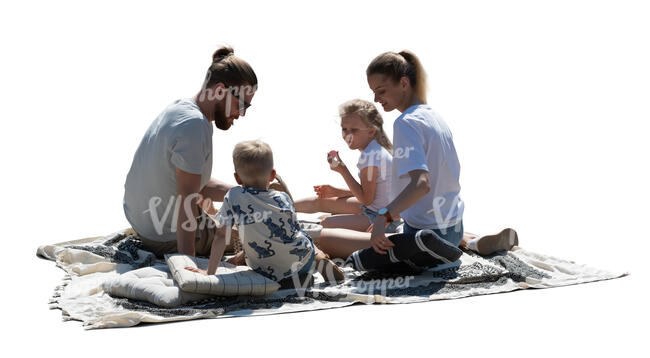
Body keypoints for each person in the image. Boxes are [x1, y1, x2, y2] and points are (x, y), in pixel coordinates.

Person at [316, 50, 518, 265]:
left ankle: (432, 246)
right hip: (453, 226)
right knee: (390, 228)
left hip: (426, 235)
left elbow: (421, 184)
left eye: (381, 91)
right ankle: (473, 242)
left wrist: (383, 218)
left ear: (404, 83)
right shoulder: (433, 116)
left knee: (328, 238)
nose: (376, 99)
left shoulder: (406, 123)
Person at [122, 45, 257, 259]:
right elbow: (188, 199)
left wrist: (245, 192)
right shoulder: (194, 126)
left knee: (232, 211)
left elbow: (189, 179)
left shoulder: (180, 108)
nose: (241, 114)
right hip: (166, 236)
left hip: (144, 224)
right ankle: (319, 241)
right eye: (242, 105)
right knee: (268, 233)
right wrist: (188, 264)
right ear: (220, 90)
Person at [186, 140, 345, 286]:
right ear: (273, 175)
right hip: (299, 259)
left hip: (262, 268)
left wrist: (209, 272)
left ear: (237, 178)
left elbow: (221, 236)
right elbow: (293, 231)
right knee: (304, 239)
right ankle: (318, 259)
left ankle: (289, 277)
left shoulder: (233, 197)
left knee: (257, 242)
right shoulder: (283, 197)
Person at [294, 99, 401, 233]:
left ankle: (279, 215)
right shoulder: (375, 150)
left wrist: (342, 170)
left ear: (371, 131)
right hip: (378, 209)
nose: (347, 135)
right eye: (344, 129)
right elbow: (376, 191)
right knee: (321, 200)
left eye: (354, 130)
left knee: (326, 224)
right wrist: (339, 192)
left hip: (380, 218)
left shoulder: (370, 157)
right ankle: (282, 207)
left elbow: (367, 199)